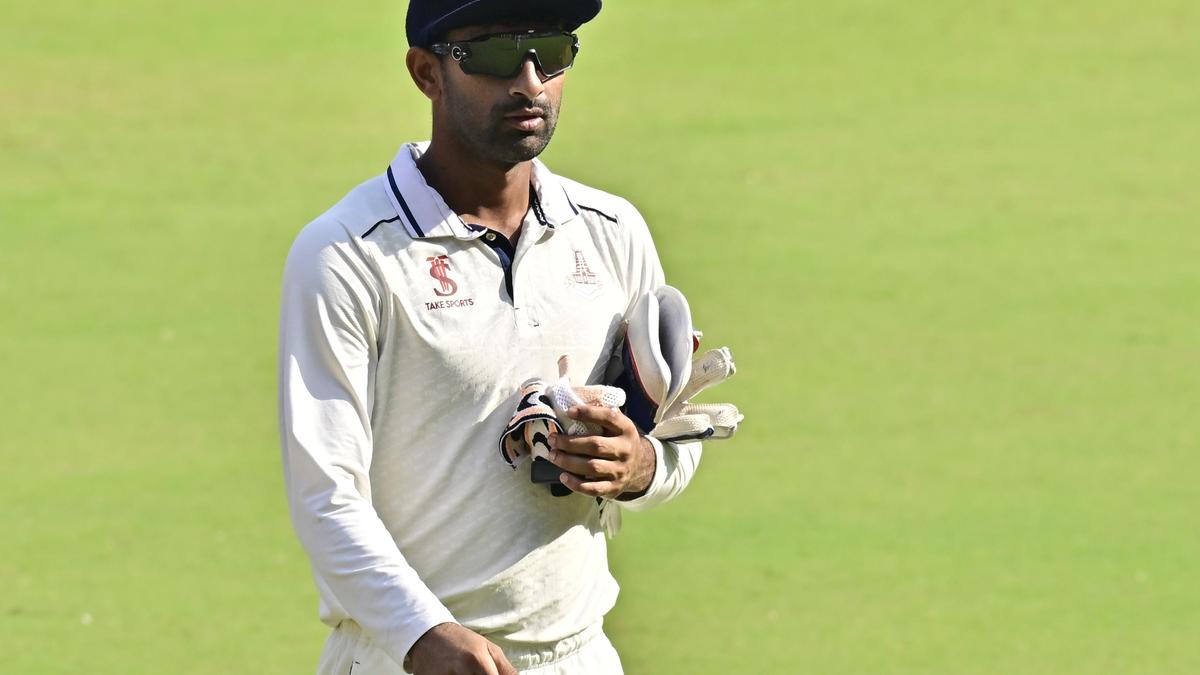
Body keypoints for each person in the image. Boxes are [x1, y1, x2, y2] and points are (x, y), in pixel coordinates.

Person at [278, 1, 703, 673]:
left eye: (552, 52)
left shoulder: (613, 231)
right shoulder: (345, 255)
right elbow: (324, 495)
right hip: (403, 657)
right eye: (496, 55)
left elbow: (674, 435)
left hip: (579, 654)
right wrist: (421, 634)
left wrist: (639, 466)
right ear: (427, 73)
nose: (530, 82)